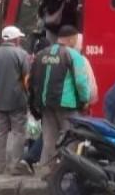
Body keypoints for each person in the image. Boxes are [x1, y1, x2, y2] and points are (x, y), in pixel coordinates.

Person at [28, 25, 92, 167]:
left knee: (49, 139)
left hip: (45, 103)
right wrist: (85, 100)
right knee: (71, 138)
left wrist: (35, 102)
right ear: (72, 39)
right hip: (67, 104)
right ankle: (67, 170)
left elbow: (32, 79)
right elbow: (81, 82)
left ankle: (49, 170)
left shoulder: (42, 54)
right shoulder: (73, 55)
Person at [0, 26, 31, 175]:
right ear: (15, 39)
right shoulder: (21, 54)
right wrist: (29, 95)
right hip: (17, 100)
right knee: (19, 133)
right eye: (19, 38)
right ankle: (15, 165)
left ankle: (0, 165)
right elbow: (27, 79)